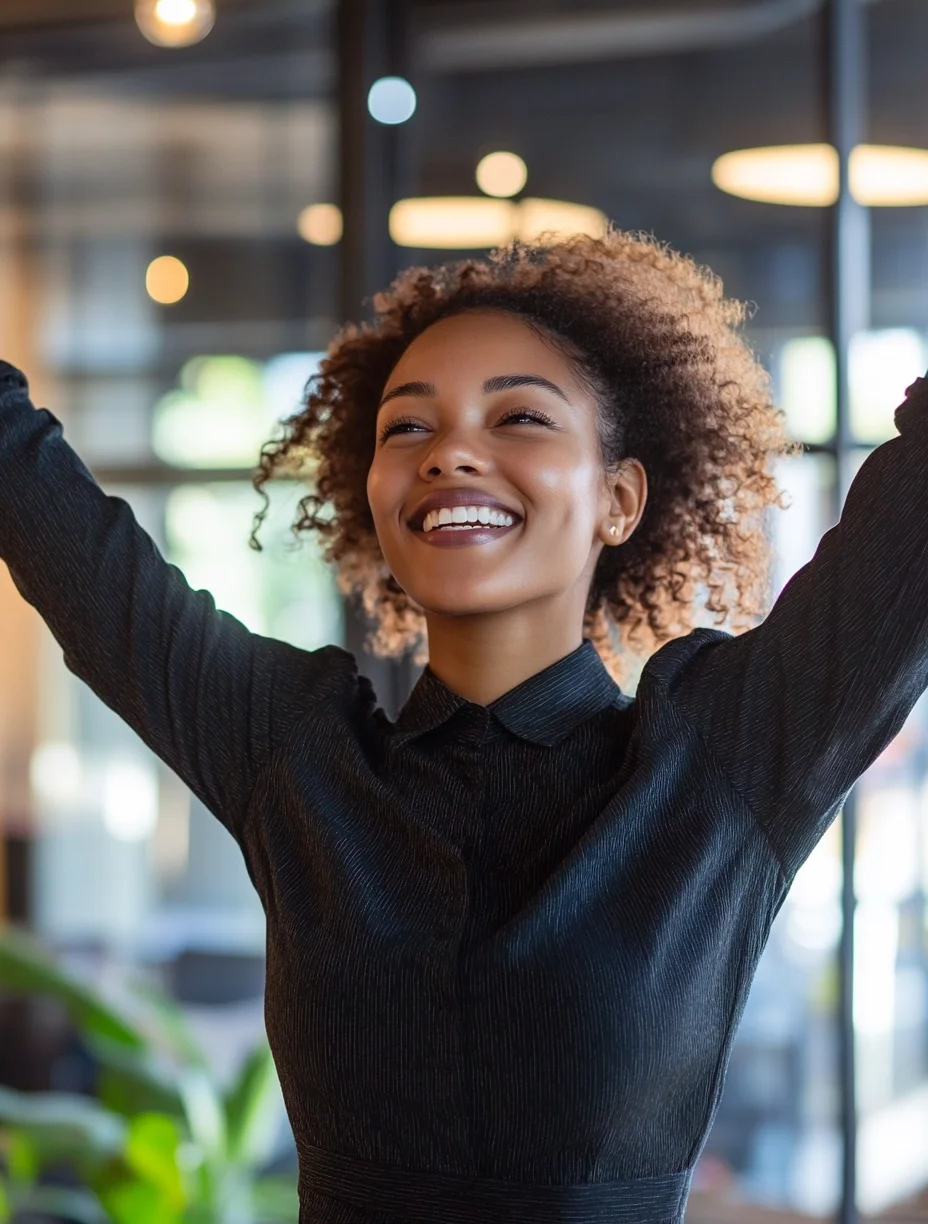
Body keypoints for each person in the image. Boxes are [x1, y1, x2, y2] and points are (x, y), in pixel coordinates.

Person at [1, 228, 926, 1224]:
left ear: (618, 499)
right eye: (407, 428)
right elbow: (54, 523)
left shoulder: (718, 768)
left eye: (519, 415)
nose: (449, 452)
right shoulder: (296, 757)